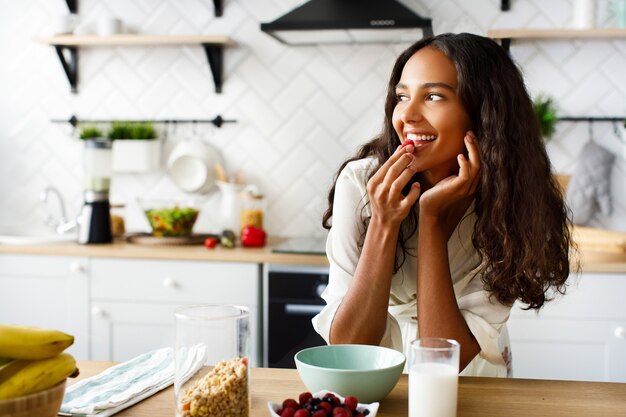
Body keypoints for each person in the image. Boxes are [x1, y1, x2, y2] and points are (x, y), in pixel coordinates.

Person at [312, 33, 575, 377]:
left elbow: (443, 359)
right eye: (402, 97)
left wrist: (431, 221)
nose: (407, 115)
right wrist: (384, 221)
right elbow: (347, 346)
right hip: (376, 375)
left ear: (482, 112)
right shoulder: (361, 184)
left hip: (473, 382)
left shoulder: (510, 203)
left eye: (433, 96)